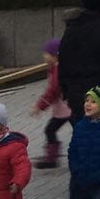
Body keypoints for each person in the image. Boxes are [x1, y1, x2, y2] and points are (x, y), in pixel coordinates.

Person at [31, 37, 72, 169]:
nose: (44, 56)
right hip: (67, 107)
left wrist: (39, 106)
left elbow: (52, 91)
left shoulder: (57, 70)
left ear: (54, 55)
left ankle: (52, 159)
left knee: (50, 130)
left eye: (46, 53)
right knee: (76, 129)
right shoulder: (57, 68)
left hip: (65, 109)